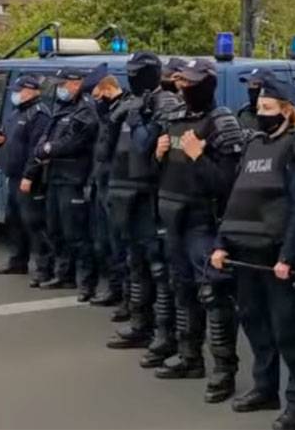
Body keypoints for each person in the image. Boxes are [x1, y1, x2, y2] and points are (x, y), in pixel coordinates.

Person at [212, 74, 295, 430]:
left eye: (268, 108)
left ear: (287, 111)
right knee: (255, 324)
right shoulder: (254, 143)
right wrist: (221, 244)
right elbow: (237, 197)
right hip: (247, 252)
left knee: (290, 332)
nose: (261, 113)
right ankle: (265, 388)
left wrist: (289, 257)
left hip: (281, 256)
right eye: (259, 107)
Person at [153, 58, 244, 404]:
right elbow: (158, 174)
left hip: (203, 221)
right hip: (173, 216)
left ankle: (224, 371)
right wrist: (157, 155)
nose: (184, 87)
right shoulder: (174, 119)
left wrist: (198, 157)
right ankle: (189, 357)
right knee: (182, 289)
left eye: (192, 82)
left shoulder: (223, 123)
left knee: (214, 295)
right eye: (182, 81)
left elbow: (229, 184)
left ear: (207, 84)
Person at [106, 52, 182, 365]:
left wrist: (137, 116)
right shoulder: (129, 103)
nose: (132, 77)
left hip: (152, 195)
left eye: (137, 72)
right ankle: (140, 324)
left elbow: (148, 145)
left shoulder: (165, 104)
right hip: (126, 192)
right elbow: (110, 146)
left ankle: (164, 335)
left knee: (159, 269)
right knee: (135, 262)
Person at [32, 67, 100, 302]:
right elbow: (46, 139)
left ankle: (86, 283)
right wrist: (45, 148)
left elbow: (71, 143)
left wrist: (49, 149)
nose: (60, 88)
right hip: (55, 176)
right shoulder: (62, 108)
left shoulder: (86, 111)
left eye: (63, 84)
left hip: (74, 179)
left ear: (76, 83)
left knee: (77, 234)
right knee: (55, 229)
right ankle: (63, 274)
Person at [0, 75, 53, 280]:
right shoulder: (16, 112)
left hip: (29, 179)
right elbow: (8, 139)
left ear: (30, 91)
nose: (14, 94)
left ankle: (44, 268)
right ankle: (17, 261)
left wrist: (29, 175)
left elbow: (36, 150)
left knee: (34, 223)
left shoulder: (39, 115)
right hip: (13, 175)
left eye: (18, 90)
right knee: (14, 220)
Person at [83, 64, 126, 306]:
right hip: (102, 182)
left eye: (97, 94)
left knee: (116, 241)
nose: (95, 100)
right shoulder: (108, 112)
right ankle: (113, 286)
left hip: (115, 184)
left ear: (108, 88)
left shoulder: (121, 113)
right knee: (103, 241)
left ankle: (120, 291)